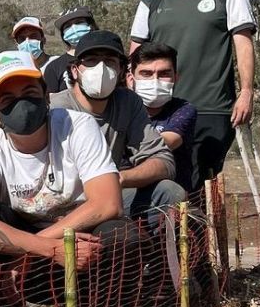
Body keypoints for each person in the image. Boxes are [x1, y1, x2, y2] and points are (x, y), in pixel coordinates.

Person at [0, 51, 157, 307]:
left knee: (121, 235)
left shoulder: (77, 126)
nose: (21, 103)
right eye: (7, 98)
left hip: (79, 247)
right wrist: (41, 249)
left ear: (46, 96)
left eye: (30, 93)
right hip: (21, 262)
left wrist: (39, 250)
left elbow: (107, 202)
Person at [129, 0, 257, 190]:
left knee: (200, 188)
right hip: (160, 112)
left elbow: (243, 44)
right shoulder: (150, 4)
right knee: (159, 184)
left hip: (212, 109)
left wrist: (246, 91)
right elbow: (135, 55)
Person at [49, 31, 184, 225]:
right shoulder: (58, 108)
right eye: (92, 61)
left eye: (110, 61)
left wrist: (119, 178)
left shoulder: (128, 103)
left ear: (121, 70)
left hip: (110, 195)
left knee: (170, 193)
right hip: (65, 203)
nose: (101, 69)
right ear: (75, 70)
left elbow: (163, 160)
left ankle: (156, 252)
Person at [128, 42, 197, 192]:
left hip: (173, 201)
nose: (155, 81)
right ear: (130, 78)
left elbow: (165, 142)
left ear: (175, 78)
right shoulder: (121, 110)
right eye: (146, 73)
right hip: (126, 195)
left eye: (164, 74)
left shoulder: (184, 110)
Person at [43, 7, 96, 94]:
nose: (74, 28)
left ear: (90, 25)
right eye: (67, 26)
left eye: (79, 22)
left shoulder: (108, 57)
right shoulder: (53, 67)